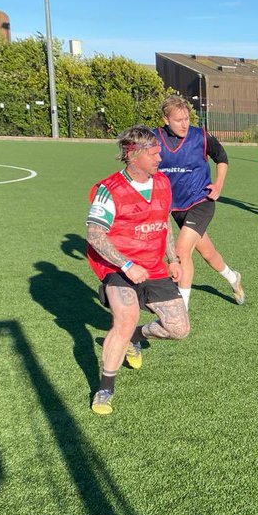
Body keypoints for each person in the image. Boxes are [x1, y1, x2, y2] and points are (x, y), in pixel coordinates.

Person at [86, 126, 190, 415]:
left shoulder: (163, 183)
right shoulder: (109, 189)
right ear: (133, 155)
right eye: (154, 154)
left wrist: (173, 259)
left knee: (179, 329)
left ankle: (136, 337)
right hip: (117, 266)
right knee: (126, 317)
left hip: (153, 266)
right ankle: (105, 388)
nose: (160, 158)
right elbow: (94, 235)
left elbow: (163, 222)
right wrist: (127, 265)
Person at [156, 95, 245, 308]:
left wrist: (219, 185)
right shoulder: (154, 139)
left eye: (187, 118)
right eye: (179, 120)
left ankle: (182, 311)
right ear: (166, 120)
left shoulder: (200, 136)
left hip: (201, 201)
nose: (184, 124)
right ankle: (233, 278)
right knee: (208, 253)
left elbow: (221, 157)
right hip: (176, 208)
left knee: (181, 251)